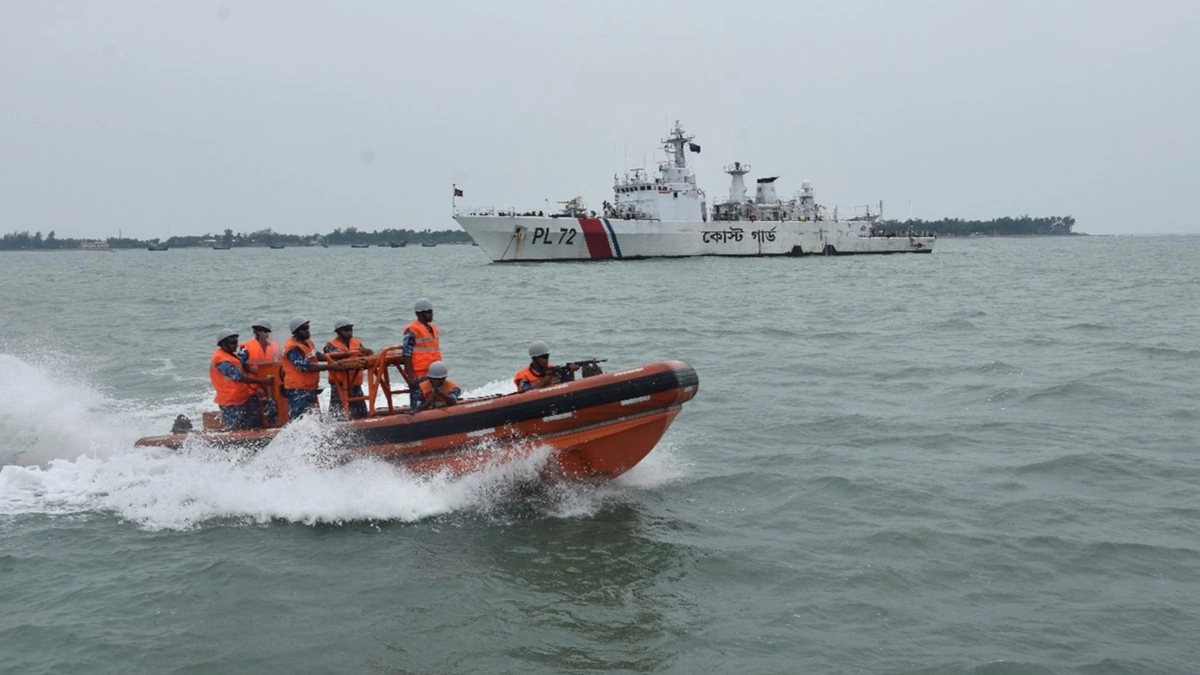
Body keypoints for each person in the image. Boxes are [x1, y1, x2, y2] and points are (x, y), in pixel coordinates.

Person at [280, 316, 355, 419]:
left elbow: (317, 356)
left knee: (315, 418)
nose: (307, 331)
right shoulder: (292, 348)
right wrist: (331, 366)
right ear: (296, 332)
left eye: (307, 327)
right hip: (298, 389)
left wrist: (338, 357)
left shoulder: (308, 342)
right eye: (303, 329)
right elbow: (305, 366)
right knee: (299, 419)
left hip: (310, 388)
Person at [210, 329, 273, 430]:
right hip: (230, 403)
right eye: (233, 343)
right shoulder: (221, 360)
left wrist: (252, 369)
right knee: (235, 429)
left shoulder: (232, 355)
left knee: (252, 424)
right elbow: (239, 377)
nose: (236, 345)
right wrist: (263, 381)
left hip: (242, 398)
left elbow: (241, 367)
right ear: (223, 344)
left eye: (236, 342)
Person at [324, 317, 375, 419]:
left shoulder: (356, 342)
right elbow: (337, 358)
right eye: (346, 329)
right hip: (340, 385)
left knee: (361, 413)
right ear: (338, 331)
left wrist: (367, 352)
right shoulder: (330, 346)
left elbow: (366, 354)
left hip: (355, 384)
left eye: (350, 329)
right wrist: (355, 354)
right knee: (337, 413)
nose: (349, 332)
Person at [401, 298, 441, 386]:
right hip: (419, 374)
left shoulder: (433, 328)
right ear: (420, 314)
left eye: (431, 311)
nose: (432, 314)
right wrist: (410, 376)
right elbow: (406, 354)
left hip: (434, 373)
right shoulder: (412, 330)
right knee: (419, 398)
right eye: (429, 312)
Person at [513, 341, 579, 392]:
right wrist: (544, 381)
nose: (547, 359)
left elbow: (568, 384)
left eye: (547, 356)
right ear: (535, 358)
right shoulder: (524, 375)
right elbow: (525, 394)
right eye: (544, 357)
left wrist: (571, 372)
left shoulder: (554, 369)